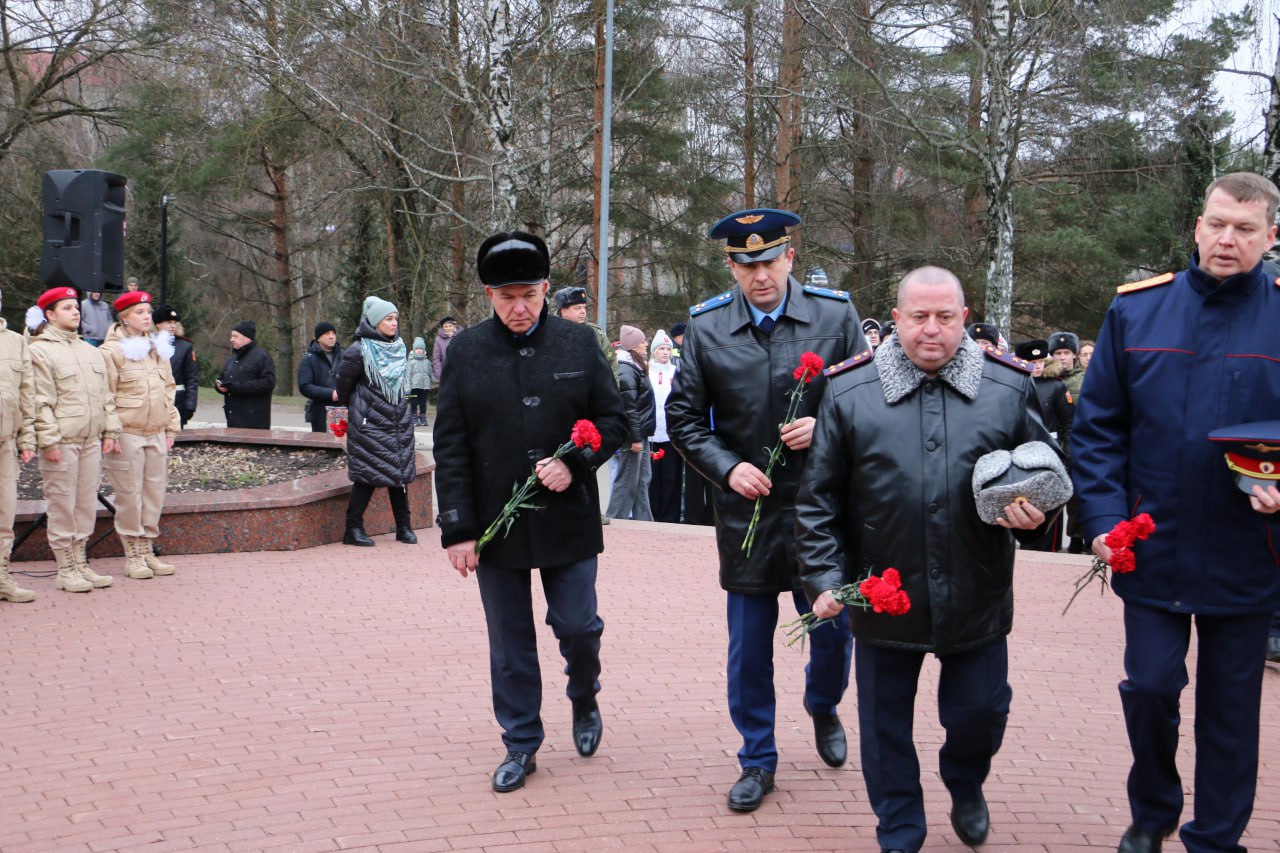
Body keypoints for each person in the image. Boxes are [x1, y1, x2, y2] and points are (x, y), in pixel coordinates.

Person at [797, 266, 1058, 853]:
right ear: (896, 320)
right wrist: (826, 578)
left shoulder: (1009, 387)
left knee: (981, 715)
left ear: (965, 318)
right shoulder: (848, 390)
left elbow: (1048, 475)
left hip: (977, 591)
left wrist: (1037, 519)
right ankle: (900, 829)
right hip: (883, 591)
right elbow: (817, 500)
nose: (932, 330)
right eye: (919, 317)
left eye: (945, 317)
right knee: (885, 730)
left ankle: (966, 782)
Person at [1070, 172, 1280, 853]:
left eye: (1245, 229)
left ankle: (1215, 838)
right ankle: (1153, 807)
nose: (1228, 239)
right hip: (1151, 541)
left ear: (1271, 237)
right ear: (1197, 225)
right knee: (1153, 685)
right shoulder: (1138, 311)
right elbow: (1098, 427)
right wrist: (1103, 519)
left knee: (1231, 710)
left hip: (1251, 548)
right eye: (1218, 223)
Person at [665, 207, 865, 812]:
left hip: (821, 508)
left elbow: (869, 397)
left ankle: (824, 704)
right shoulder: (706, 327)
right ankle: (757, 758)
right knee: (749, 647)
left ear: (790, 258)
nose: (759, 275)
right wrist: (727, 466)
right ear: (731, 265)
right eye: (745, 264)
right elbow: (682, 418)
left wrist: (826, 426)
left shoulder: (835, 316)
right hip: (746, 511)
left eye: (769, 260)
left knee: (832, 631)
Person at [433, 230, 627, 794]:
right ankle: (521, 743)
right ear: (488, 296)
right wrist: (458, 530)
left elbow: (614, 422)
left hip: (568, 517)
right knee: (509, 640)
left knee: (577, 625)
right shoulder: (466, 351)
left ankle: (584, 691)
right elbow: (450, 445)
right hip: (497, 524)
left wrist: (578, 463)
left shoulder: (579, 343)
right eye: (505, 297)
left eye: (529, 295)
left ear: (546, 289)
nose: (519, 309)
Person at [27, 287, 120, 593]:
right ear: (50, 315)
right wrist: (49, 441)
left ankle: (80, 561)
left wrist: (110, 430)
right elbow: (41, 401)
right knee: (62, 505)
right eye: (66, 308)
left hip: (91, 439)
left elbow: (106, 397)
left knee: (84, 504)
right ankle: (65, 568)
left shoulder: (90, 351)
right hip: (63, 441)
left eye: (75, 307)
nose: (75, 312)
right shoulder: (40, 351)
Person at [99, 290, 181, 579]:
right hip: (128, 432)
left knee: (153, 494)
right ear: (124, 317)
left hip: (155, 431)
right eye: (139, 312)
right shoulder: (112, 352)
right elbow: (106, 395)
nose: (147, 317)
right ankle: (132, 553)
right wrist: (111, 431)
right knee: (129, 496)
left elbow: (168, 389)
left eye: (148, 311)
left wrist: (171, 425)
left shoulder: (159, 348)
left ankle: (147, 549)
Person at [334, 297, 417, 547]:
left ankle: (404, 527)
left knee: (399, 474)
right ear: (375, 321)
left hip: (397, 421)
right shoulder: (359, 350)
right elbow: (343, 387)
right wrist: (361, 411)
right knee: (367, 476)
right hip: (370, 423)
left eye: (395, 319)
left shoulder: (399, 347)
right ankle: (353, 529)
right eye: (388, 319)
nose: (394, 324)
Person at [1015, 338, 1071, 552]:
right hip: (1023, 449)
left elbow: (1068, 421)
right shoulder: (1016, 385)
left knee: (1050, 497)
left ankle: (1051, 546)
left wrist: (1067, 452)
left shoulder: (1056, 386)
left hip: (1051, 448)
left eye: (1040, 362)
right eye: (1032, 362)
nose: (1037, 366)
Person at [0, 285, 37, 603]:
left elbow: (26, 393)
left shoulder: (16, 342)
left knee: (5, 513)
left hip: (5, 443)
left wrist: (26, 437)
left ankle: (1, 577)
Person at [605, 325, 655, 521]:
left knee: (642, 479)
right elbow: (630, 408)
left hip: (641, 432)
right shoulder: (626, 369)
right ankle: (615, 518)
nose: (646, 344)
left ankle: (645, 521)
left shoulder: (636, 366)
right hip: (633, 434)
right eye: (642, 342)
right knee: (626, 480)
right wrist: (635, 438)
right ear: (634, 346)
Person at [215, 320, 276, 429]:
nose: (231, 339)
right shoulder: (232, 360)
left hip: (254, 422)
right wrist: (220, 386)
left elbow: (268, 383)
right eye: (231, 336)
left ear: (247, 337)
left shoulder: (262, 356)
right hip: (233, 420)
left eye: (235, 336)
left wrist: (236, 387)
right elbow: (223, 379)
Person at [647, 330, 681, 523]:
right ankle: (652, 515)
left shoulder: (676, 372)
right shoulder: (647, 371)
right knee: (652, 478)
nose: (665, 352)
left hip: (671, 434)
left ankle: (671, 517)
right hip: (652, 433)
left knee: (671, 478)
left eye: (668, 349)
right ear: (654, 351)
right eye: (661, 348)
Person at [554, 286, 618, 383]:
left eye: (584, 307)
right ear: (564, 311)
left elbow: (610, 363)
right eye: (577, 308)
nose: (583, 312)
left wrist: (613, 393)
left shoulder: (595, 333)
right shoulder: (551, 332)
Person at [153, 305, 199, 428]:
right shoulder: (148, 344)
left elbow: (192, 378)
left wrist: (190, 405)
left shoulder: (185, 346)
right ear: (158, 324)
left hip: (176, 402)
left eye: (174, 322)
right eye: (168, 322)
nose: (173, 326)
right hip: (152, 402)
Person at [298, 322, 342, 433]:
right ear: (318, 338)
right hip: (320, 413)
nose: (331, 336)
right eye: (327, 334)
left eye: (333, 333)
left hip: (345, 410)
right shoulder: (308, 359)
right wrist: (330, 394)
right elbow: (305, 386)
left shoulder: (346, 355)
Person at [1048, 330, 1083, 399]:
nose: (1062, 357)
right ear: (1052, 356)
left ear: (1074, 355)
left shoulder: (1085, 380)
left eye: (1066, 353)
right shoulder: (1044, 379)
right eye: (1058, 353)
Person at [407, 336, 433, 426]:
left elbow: (430, 372)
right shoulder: (411, 362)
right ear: (414, 350)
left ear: (424, 350)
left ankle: (423, 417)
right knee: (414, 402)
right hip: (414, 387)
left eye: (421, 348)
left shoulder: (427, 361)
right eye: (417, 348)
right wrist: (407, 386)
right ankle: (414, 417)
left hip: (425, 386)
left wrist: (434, 379)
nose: (419, 350)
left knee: (423, 403)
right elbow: (407, 375)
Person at [432, 316, 458, 382]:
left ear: (454, 326)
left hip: (461, 370)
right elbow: (436, 359)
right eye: (446, 326)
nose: (448, 328)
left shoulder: (461, 336)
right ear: (443, 328)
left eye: (450, 326)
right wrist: (439, 375)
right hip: (447, 371)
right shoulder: (438, 340)